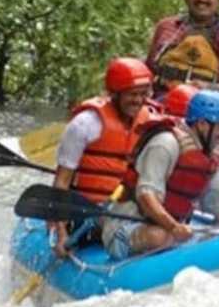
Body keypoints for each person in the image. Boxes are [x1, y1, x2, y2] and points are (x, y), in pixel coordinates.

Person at [101, 90, 219, 259]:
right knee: (160, 237)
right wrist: (173, 227)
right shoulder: (165, 143)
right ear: (202, 124)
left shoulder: (206, 158)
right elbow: (146, 197)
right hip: (125, 227)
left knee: (214, 240)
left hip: (171, 231)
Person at [49, 57, 154, 256]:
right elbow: (62, 182)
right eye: (132, 95)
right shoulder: (85, 124)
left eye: (143, 94)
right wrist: (61, 233)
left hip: (128, 209)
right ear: (115, 94)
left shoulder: (150, 122)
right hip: (89, 212)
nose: (139, 101)